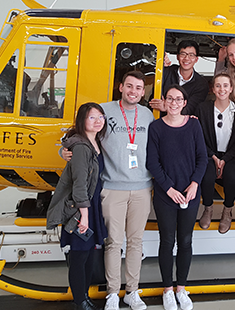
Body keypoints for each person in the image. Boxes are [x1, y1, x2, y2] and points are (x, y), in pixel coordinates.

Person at [62, 71, 154, 310]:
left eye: (138, 88)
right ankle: (113, 292)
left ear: (143, 92)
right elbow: (77, 132)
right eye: (129, 86)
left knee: (135, 242)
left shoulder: (147, 114)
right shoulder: (103, 111)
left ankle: (132, 291)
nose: (133, 91)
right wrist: (64, 150)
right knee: (113, 242)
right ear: (121, 87)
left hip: (142, 188)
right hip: (112, 188)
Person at [147, 85, 208, 310]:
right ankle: (167, 289)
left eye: (178, 99)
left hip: (190, 194)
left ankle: (181, 287)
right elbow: (152, 162)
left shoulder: (193, 124)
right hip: (166, 195)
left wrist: (194, 185)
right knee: (167, 241)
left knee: (185, 241)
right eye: (170, 99)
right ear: (164, 102)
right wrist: (169, 189)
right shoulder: (156, 128)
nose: (174, 103)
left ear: (184, 103)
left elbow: (202, 158)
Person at [47, 102, 108, 310]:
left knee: (88, 254)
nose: (98, 121)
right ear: (82, 120)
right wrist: (85, 216)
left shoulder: (93, 141)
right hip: (82, 208)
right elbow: (80, 185)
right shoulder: (81, 147)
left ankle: (83, 298)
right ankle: (80, 302)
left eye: (101, 116)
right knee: (79, 256)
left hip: (90, 206)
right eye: (92, 117)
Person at [195, 73, 235, 233]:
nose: (222, 89)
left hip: (232, 155)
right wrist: (214, 157)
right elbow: (200, 138)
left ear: (231, 88)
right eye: (218, 85)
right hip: (209, 153)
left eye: (225, 85)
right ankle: (208, 208)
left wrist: (225, 159)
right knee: (207, 175)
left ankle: (228, 210)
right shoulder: (202, 108)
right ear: (213, 88)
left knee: (232, 175)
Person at [149, 40, 209, 116]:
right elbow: (154, 101)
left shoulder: (201, 84)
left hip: (182, 125)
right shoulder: (166, 72)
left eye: (191, 55)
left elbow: (190, 109)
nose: (187, 58)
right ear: (177, 56)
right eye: (183, 54)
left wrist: (166, 107)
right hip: (158, 120)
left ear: (196, 59)